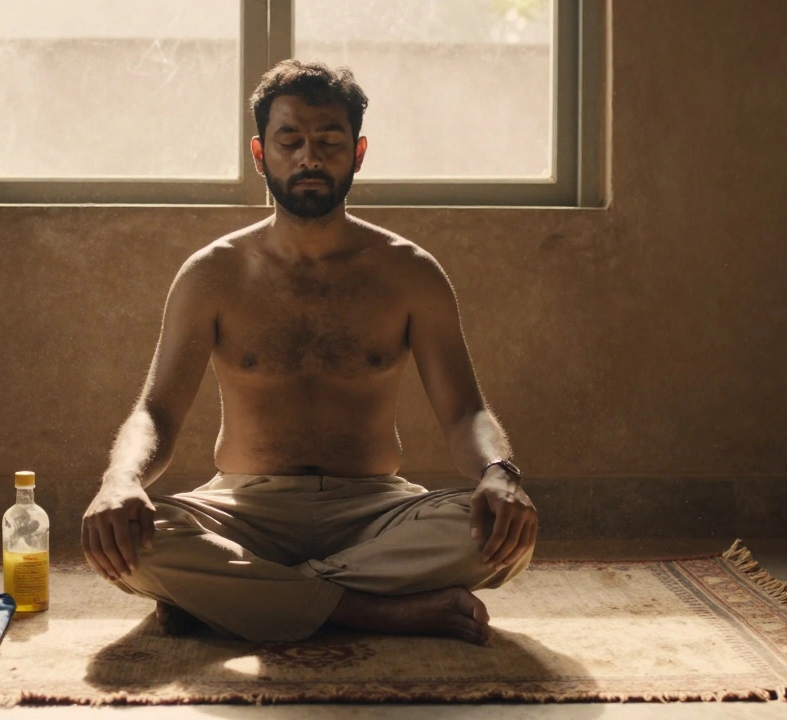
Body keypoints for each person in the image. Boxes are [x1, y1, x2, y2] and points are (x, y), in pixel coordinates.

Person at [81, 60, 539, 645]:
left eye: (329, 141)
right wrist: (121, 479)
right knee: (134, 542)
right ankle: (376, 611)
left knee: (498, 534)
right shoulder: (212, 274)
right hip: (244, 508)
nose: (309, 158)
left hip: (374, 510)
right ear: (259, 153)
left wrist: (499, 474)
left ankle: (237, 599)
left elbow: (465, 414)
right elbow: (157, 414)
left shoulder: (410, 273)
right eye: (289, 141)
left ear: (359, 151)